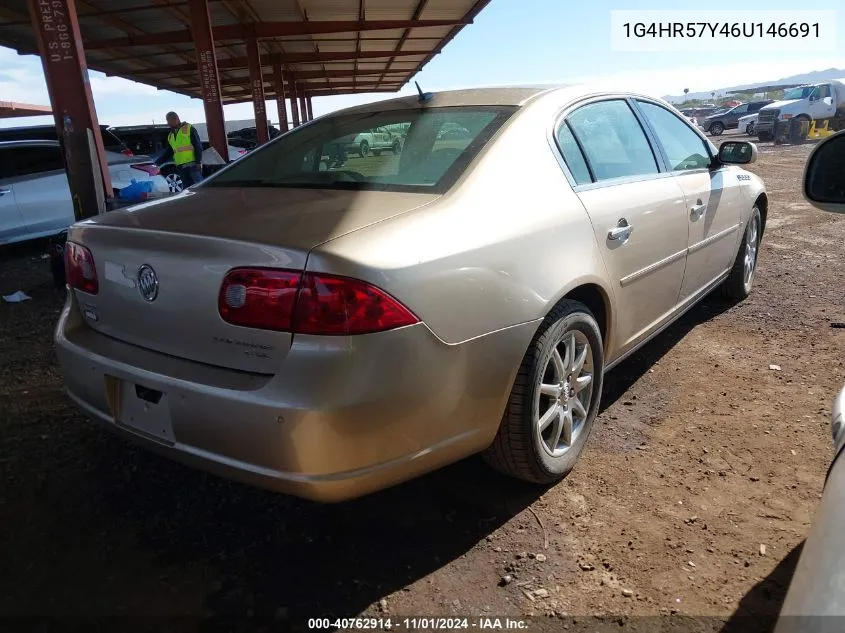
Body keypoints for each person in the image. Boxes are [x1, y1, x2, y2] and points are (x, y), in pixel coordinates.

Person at [155, 111, 204, 187]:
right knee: (187, 190)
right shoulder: (170, 136)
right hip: (181, 167)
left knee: (200, 186)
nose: (168, 123)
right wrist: (157, 163)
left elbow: (198, 146)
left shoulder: (189, 128)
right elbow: (169, 152)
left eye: (169, 121)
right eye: (167, 121)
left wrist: (198, 162)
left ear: (177, 119)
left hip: (193, 165)